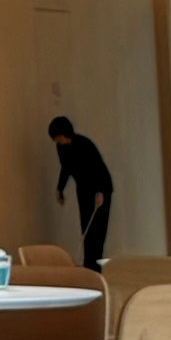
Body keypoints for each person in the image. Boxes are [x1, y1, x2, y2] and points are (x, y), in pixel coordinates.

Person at [48, 113, 113, 269]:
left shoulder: (85, 144)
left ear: (65, 133)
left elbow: (97, 168)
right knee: (87, 227)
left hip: (101, 188)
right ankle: (88, 264)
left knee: (98, 228)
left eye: (59, 137)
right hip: (84, 188)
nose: (58, 141)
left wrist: (100, 192)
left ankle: (95, 266)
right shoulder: (61, 148)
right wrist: (60, 189)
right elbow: (65, 168)